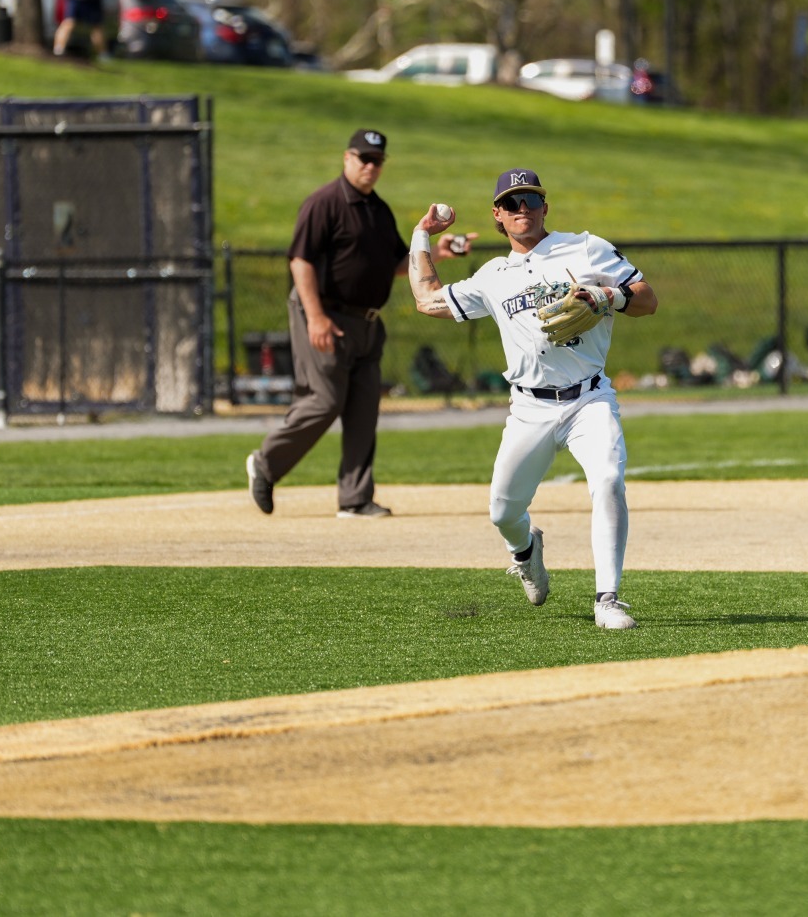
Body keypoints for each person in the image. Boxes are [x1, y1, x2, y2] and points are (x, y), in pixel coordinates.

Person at [404, 169, 658, 630]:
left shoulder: (585, 247)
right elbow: (427, 299)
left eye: (531, 200)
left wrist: (607, 296)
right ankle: (526, 551)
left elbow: (647, 298)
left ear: (545, 207)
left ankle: (609, 599)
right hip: (528, 407)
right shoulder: (493, 275)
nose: (523, 209)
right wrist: (422, 235)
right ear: (498, 215)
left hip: (589, 399)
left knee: (608, 481)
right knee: (502, 511)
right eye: (512, 202)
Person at [246, 129, 408, 519]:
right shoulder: (325, 203)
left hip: (366, 323)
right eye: (363, 158)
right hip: (324, 314)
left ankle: (355, 498)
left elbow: (398, 265)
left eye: (377, 160)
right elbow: (300, 261)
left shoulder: (378, 211)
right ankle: (265, 464)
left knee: (364, 408)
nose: (370, 166)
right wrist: (316, 316)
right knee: (324, 401)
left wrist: (436, 251)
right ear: (346, 158)